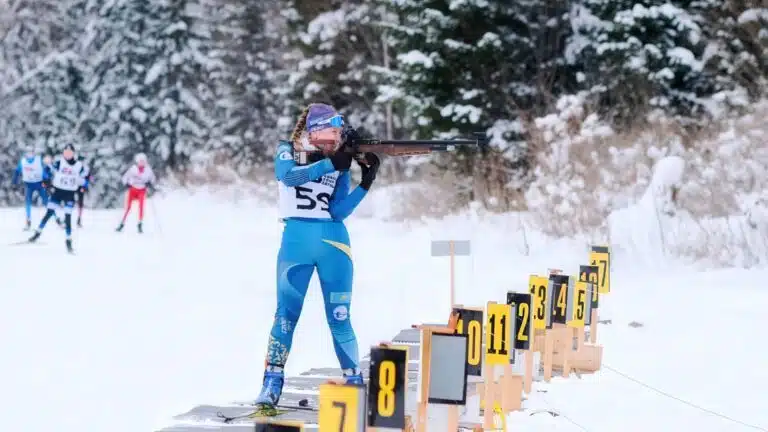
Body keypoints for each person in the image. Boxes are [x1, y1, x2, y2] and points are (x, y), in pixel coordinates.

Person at [253, 103, 380, 413]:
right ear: (314, 130)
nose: (336, 136)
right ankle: (271, 382)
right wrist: (329, 164)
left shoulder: (338, 162)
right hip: (296, 241)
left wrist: (365, 182)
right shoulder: (288, 150)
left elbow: (338, 211)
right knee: (286, 316)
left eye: (339, 132)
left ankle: (355, 384)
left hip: (333, 243)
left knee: (339, 317)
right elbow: (288, 177)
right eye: (332, 130)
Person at [28, 144, 88, 252]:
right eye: (65, 152)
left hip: (70, 193)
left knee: (68, 216)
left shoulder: (79, 165)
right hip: (58, 192)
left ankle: (68, 241)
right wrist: (46, 182)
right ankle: (37, 233)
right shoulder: (59, 163)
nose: (67, 154)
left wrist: (84, 186)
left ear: (73, 153)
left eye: (69, 153)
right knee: (49, 213)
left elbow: (86, 176)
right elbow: (47, 170)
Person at [11, 146, 51, 230]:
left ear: (33, 153)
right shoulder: (23, 161)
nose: (29, 154)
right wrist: (14, 183)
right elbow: (17, 172)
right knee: (28, 202)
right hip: (28, 185)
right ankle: (28, 221)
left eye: (31, 152)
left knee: (46, 201)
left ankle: (57, 219)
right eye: (27, 152)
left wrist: (47, 181)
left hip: (39, 184)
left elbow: (45, 170)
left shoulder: (38, 160)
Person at [116, 152, 155, 233]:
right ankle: (121, 224)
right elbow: (125, 178)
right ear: (137, 161)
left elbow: (153, 179)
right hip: (133, 190)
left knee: (141, 207)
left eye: (143, 161)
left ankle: (140, 224)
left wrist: (150, 183)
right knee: (128, 207)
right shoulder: (133, 169)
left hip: (142, 190)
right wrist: (127, 184)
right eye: (140, 161)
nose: (142, 163)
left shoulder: (148, 170)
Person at [74, 154, 93, 227]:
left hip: (81, 186)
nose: (81, 162)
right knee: (70, 201)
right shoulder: (74, 166)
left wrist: (85, 187)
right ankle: (67, 218)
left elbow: (89, 178)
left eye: (82, 160)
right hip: (74, 186)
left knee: (80, 203)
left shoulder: (86, 168)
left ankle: (79, 219)